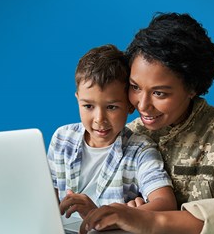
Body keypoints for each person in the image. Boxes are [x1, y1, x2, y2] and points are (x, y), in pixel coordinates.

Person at [79, 13, 214, 234]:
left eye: (159, 93)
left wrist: (156, 220)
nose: (142, 105)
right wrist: (113, 211)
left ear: (192, 88)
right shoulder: (129, 135)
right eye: (135, 87)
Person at [46, 44, 176, 220]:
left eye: (112, 107)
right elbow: (47, 199)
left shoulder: (140, 150)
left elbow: (166, 203)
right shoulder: (62, 139)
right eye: (88, 106)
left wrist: (112, 215)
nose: (99, 118)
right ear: (77, 99)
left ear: (130, 105)